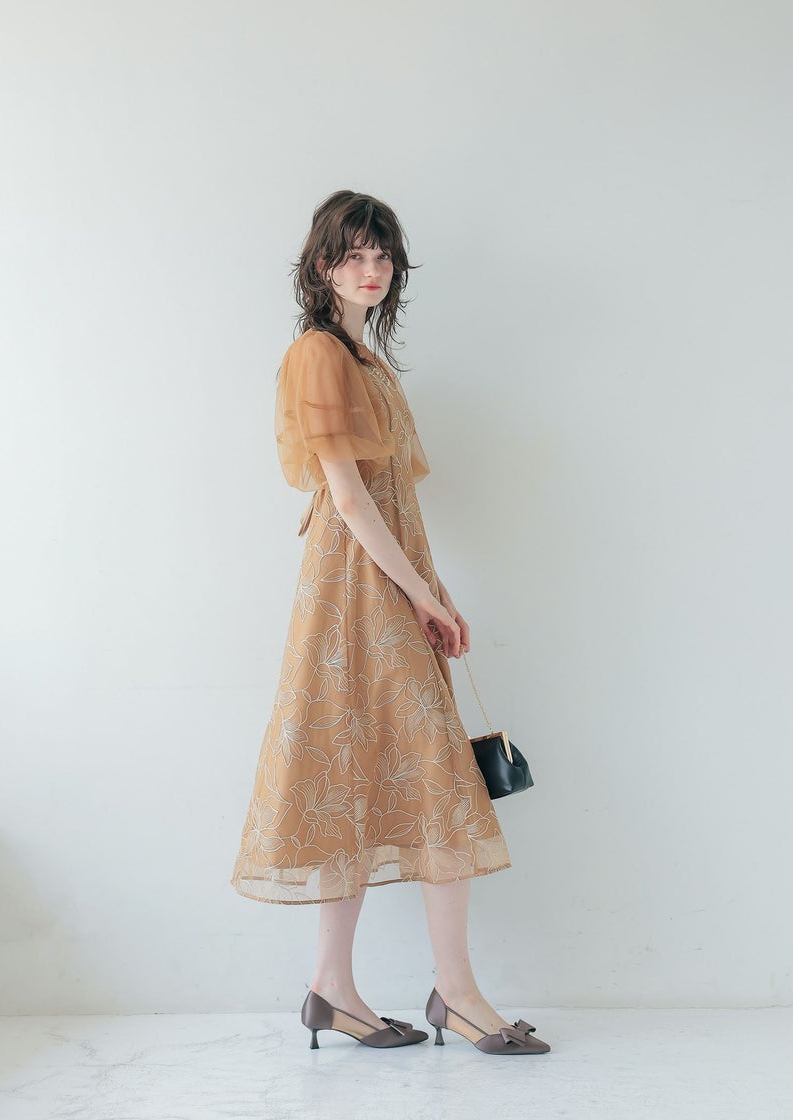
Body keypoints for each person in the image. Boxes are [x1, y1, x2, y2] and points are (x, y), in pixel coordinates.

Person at [231, 190, 550, 1056]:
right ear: (322, 264)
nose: (371, 269)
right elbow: (346, 497)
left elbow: (393, 500)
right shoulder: (318, 354)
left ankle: (332, 989)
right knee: (433, 776)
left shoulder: (364, 359)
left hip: (385, 579)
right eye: (354, 254)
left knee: (365, 773)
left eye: (382, 256)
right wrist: (421, 595)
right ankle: (458, 994)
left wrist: (433, 590)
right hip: (354, 587)